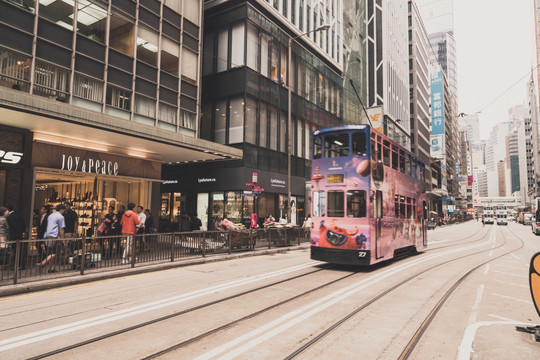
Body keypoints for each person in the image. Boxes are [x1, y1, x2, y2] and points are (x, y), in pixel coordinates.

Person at [38, 204, 66, 273]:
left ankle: (51, 268)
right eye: (63, 210)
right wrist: (63, 240)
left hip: (47, 235)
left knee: (50, 253)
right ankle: (43, 263)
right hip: (55, 237)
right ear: (62, 210)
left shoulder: (50, 215)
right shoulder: (60, 217)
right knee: (56, 253)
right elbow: (61, 229)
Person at [7, 205, 28, 270]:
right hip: (21, 235)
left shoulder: (10, 217)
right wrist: (23, 232)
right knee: (20, 250)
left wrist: (20, 232)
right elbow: (24, 224)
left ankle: (16, 264)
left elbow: (14, 226)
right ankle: (21, 264)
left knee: (15, 250)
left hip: (14, 235)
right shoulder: (19, 214)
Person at [0, 207, 10, 273]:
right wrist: (2, 241)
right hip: (2, 239)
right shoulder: (2, 219)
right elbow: (1, 231)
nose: (8, 213)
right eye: (7, 212)